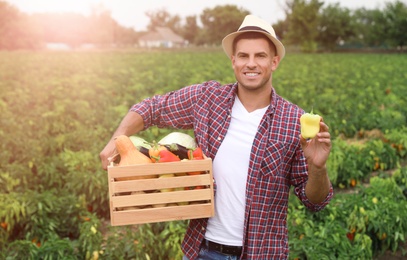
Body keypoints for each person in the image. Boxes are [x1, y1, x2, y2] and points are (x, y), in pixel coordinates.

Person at [100, 15, 333, 260]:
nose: (250, 63)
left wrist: (318, 167)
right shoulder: (208, 99)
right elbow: (152, 108)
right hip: (202, 251)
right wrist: (117, 139)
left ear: (274, 62)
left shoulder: (292, 120)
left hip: (262, 254)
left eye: (260, 56)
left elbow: (315, 201)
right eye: (243, 55)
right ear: (233, 60)